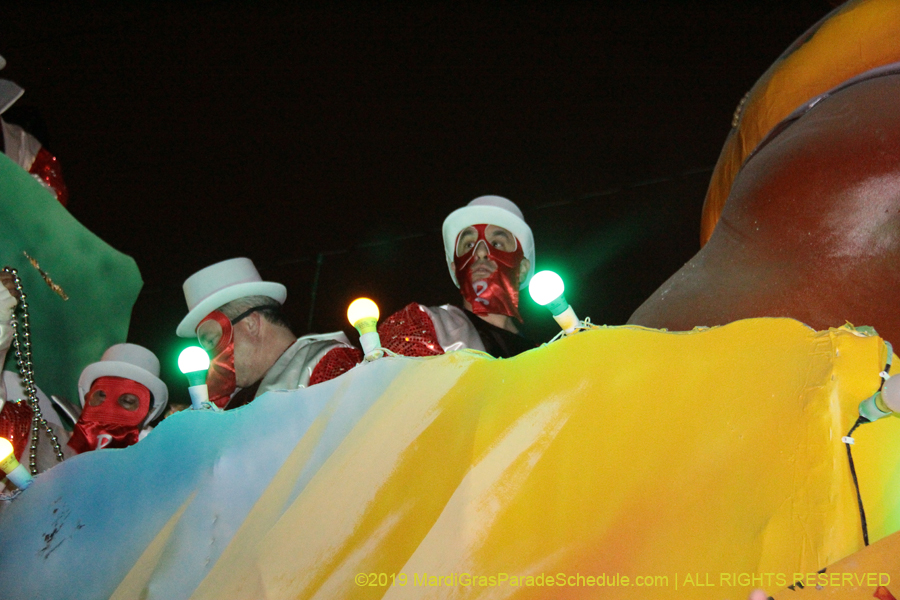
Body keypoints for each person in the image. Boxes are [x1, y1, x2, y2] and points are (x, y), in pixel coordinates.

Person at [177, 257, 359, 409]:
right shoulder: (231, 404)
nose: (210, 360)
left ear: (251, 323)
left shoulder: (326, 363)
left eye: (213, 341)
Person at [379, 195, 536, 359]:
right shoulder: (426, 326)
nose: (480, 252)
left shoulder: (546, 356)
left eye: (497, 243)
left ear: (523, 268)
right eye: (468, 245)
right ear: (455, 269)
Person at [67, 343, 168, 453]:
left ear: (149, 412)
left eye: (127, 401)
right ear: (88, 397)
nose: (110, 409)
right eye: (101, 395)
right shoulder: (53, 446)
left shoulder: (158, 460)